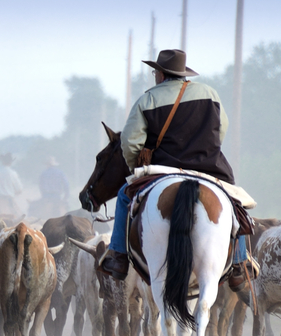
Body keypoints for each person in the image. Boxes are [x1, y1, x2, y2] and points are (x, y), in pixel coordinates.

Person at [101, 49, 250, 283]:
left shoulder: (148, 99)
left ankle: (118, 255)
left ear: (160, 74)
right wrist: (203, 153)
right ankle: (241, 262)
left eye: (154, 72)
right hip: (208, 167)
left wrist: (136, 168)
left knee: (123, 196)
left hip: (161, 169)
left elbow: (130, 143)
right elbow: (221, 129)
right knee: (234, 201)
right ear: (182, 73)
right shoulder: (210, 94)